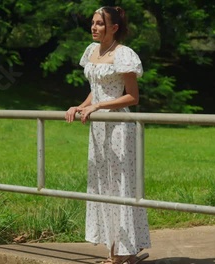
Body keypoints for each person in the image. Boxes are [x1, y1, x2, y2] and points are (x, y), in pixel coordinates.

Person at [65, 6, 151, 264]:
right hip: (97, 128)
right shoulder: (91, 51)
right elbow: (96, 89)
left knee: (121, 186)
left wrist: (99, 106)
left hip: (119, 129)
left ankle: (126, 252)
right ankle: (114, 251)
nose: (94, 27)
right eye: (93, 23)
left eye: (100, 23)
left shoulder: (123, 54)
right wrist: (81, 105)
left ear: (114, 28)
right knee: (103, 185)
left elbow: (132, 97)